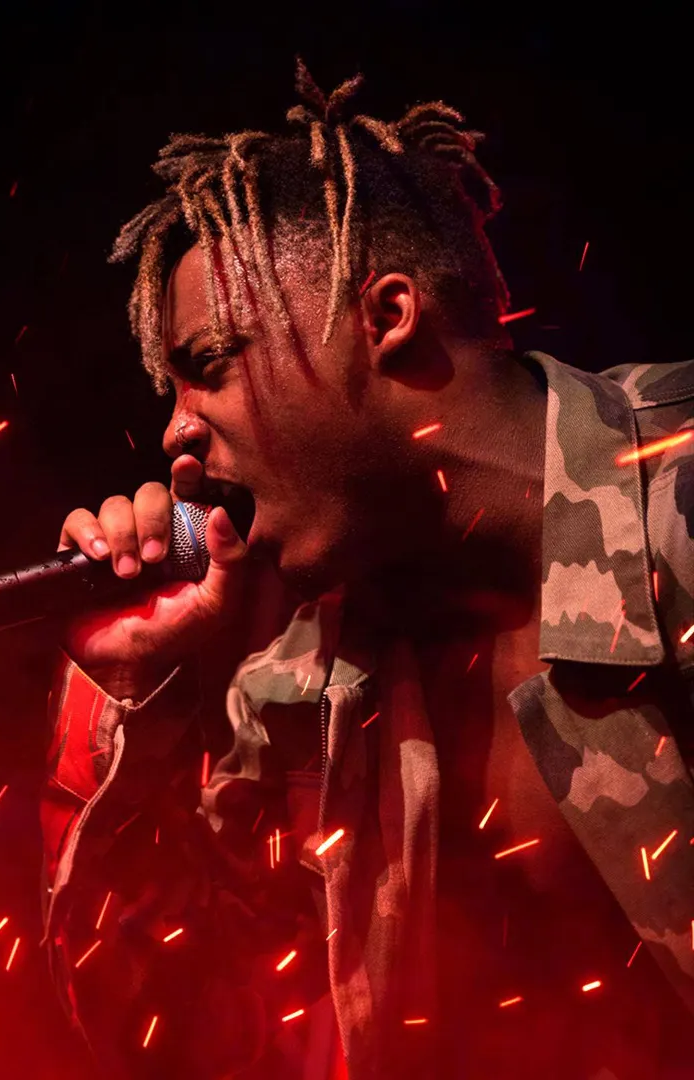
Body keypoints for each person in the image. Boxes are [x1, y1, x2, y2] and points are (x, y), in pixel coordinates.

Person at [40, 61, 694, 1079]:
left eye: (208, 366)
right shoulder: (294, 671)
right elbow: (190, 1046)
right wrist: (126, 705)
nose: (175, 433)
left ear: (386, 317)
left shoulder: (680, 501)